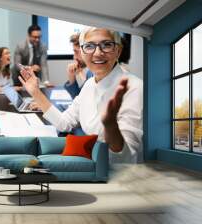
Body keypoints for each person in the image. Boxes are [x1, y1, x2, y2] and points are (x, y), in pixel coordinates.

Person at [19, 27, 143, 164]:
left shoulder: (134, 87)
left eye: (107, 45)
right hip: (92, 164)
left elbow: (126, 158)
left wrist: (110, 126)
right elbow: (63, 123)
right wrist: (35, 92)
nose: (97, 53)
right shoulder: (90, 84)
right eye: (89, 46)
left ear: (118, 51)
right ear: (82, 53)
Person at [64, 33, 94, 98]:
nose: (74, 57)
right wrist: (71, 76)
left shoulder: (99, 74)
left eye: (76, 51)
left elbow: (79, 103)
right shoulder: (90, 72)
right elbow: (78, 99)